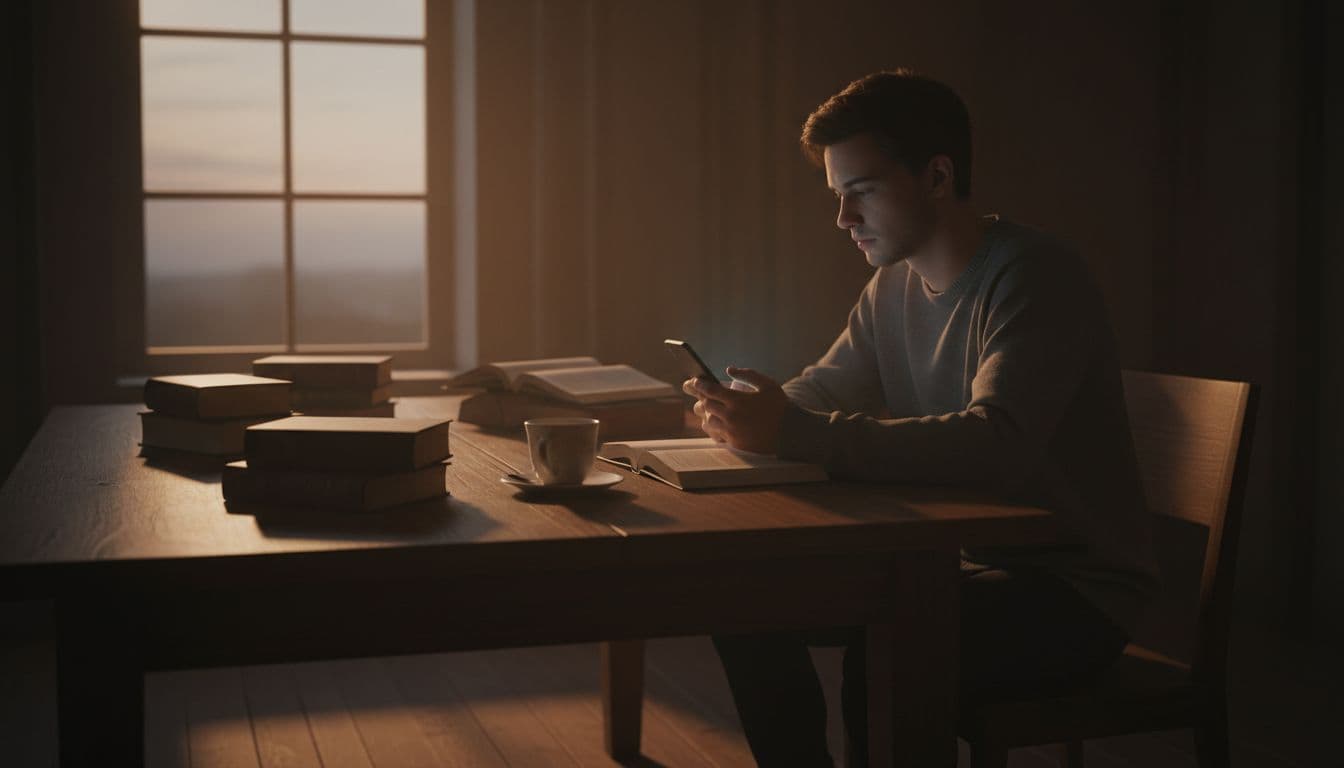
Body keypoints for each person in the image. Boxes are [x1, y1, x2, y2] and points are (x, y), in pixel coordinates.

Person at [683, 70, 1159, 767]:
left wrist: (791, 431)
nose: (844, 219)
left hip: (1076, 592)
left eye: (861, 192)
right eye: (837, 196)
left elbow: (996, 445)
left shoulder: (1035, 275)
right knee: (743, 602)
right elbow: (820, 391)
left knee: (893, 658)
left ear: (938, 176)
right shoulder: (893, 285)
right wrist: (746, 412)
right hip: (954, 565)